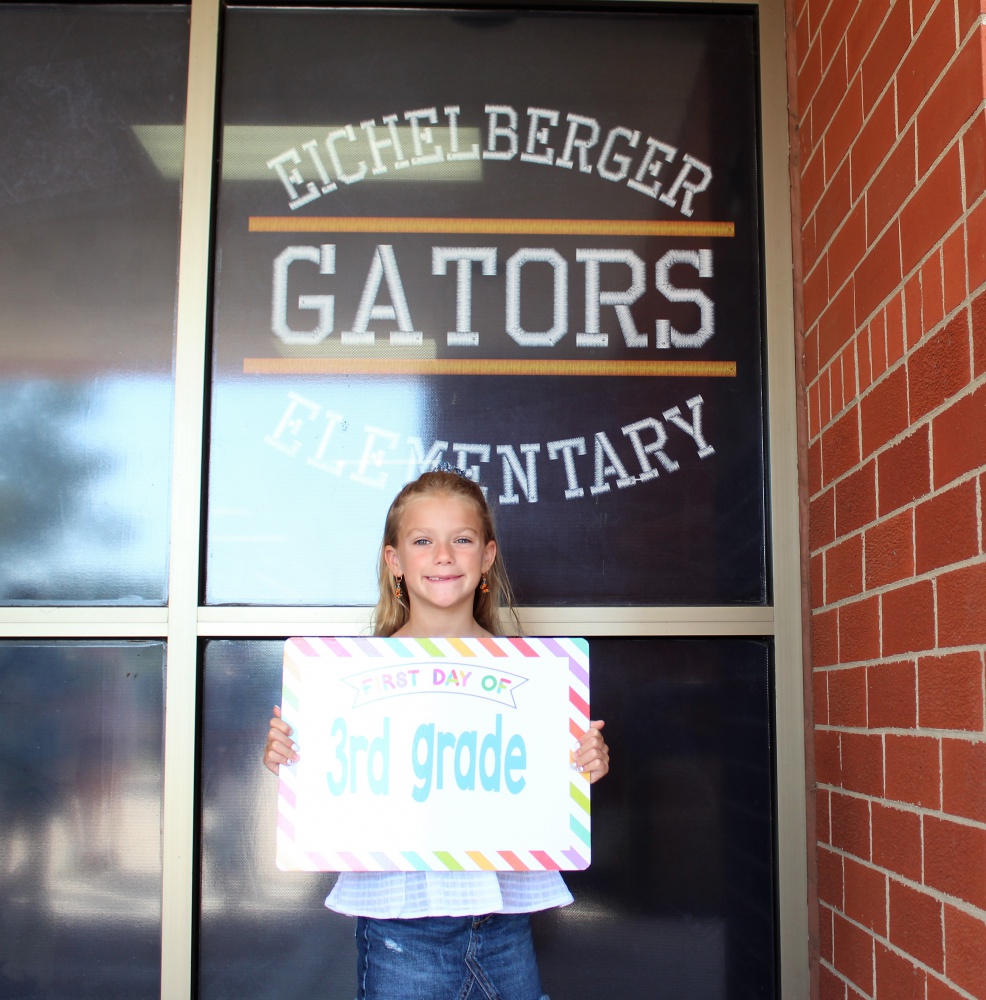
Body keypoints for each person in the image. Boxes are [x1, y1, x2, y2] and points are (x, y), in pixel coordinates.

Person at [264, 467, 610, 1000]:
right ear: (394, 561)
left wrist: (584, 761)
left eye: (462, 540)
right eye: (423, 540)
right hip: (400, 922)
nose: (443, 555)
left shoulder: (535, 677)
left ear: (488, 556)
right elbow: (329, 788)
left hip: (502, 922)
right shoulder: (348, 675)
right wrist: (294, 757)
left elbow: (546, 786)